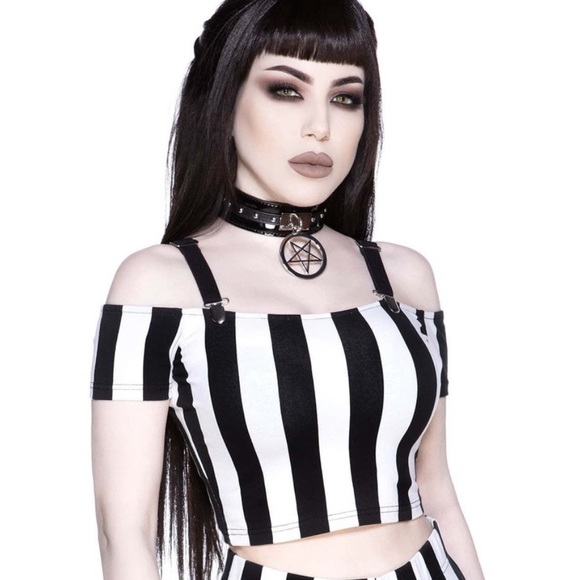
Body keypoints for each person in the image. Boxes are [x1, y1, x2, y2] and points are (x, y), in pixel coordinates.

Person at [90, 1, 485, 579]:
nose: (320, 126)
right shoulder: (159, 283)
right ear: (223, 100)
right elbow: (122, 532)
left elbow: (438, 489)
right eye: (286, 90)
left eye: (346, 98)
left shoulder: (403, 276)